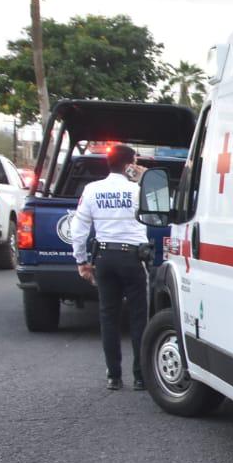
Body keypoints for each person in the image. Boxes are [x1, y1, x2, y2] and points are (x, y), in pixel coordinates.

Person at [71, 144, 150, 391]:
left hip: (104, 258)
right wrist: (144, 177)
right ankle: (140, 377)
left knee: (108, 316)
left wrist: (82, 261)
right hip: (133, 258)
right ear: (130, 164)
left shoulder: (92, 190)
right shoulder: (138, 190)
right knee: (138, 318)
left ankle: (114, 376)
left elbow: (79, 228)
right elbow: (162, 207)